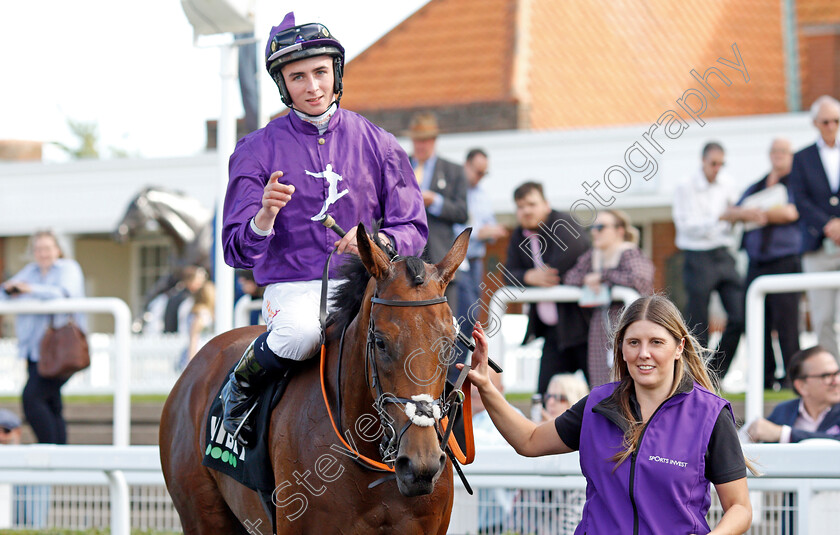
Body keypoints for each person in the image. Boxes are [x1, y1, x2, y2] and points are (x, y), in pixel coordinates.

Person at [220, 12, 427, 446]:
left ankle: (438, 437)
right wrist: (263, 219)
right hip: (294, 289)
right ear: (282, 85)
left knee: (429, 334)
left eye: (320, 72)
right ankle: (237, 392)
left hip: (367, 283)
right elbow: (236, 252)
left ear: (336, 72)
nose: (312, 86)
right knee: (300, 334)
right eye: (298, 77)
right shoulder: (254, 151)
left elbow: (413, 227)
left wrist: (380, 241)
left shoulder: (380, 143)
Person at [463, 295, 753, 534]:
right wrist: (486, 386)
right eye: (634, 342)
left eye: (656, 342)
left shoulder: (710, 414)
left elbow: (739, 508)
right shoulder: (598, 404)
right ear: (622, 349)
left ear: (679, 348)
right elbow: (528, 440)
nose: (644, 353)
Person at [505, 181, 590, 394]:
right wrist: (528, 275)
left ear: (546, 204)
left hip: (583, 326)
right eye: (521, 206)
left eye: (532, 204)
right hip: (553, 333)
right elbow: (507, 273)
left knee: (601, 394)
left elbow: (560, 268)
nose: (526, 211)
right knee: (545, 396)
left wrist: (529, 277)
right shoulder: (518, 235)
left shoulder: (564, 224)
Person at [0, 230, 85, 445]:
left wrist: (29, 290)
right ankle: (61, 458)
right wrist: (15, 290)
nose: (43, 253)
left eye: (47, 248)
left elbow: (64, 293)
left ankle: (49, 453)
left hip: (60, 350)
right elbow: (6, 291)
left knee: (32, 399)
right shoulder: (31, 271)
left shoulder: (68, 269)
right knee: (51, 403)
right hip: (34, 350)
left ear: (57, 249)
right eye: (38, 249)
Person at [673, 141, 745, 381]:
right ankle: (696, 376)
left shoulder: (728, 184)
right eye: (714, 163)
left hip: (723, 253)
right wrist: (720, 217)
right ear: (703, 161)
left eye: (721, 164)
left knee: (740, 315)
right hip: (697, 255)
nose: (717, 168)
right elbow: (685, 226)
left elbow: (735, 214)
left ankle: (715, 373)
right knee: (698, 322)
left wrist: (737, 216)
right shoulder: (685, 186)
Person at [736, 138, 801, 389]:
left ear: (790, 155)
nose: (778, 155)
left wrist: (756, 214)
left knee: (787, 322)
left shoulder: (796, 183)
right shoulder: (757, 186)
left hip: (784, 260)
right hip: (756, 262)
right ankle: (765, 377)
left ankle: (793, 379)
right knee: (754, 321)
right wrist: (751, 213)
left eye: (783, 151)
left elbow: (791, 212)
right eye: (775, 151)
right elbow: (734, 211)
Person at [564, 210, 655, 387]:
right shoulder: (593, 255)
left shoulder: (629, 252)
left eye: (601, 227)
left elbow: (640, 280)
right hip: (600, 327)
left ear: (619, 230)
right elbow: (570, 278)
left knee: (630, 380)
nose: (594, 232)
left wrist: (603, 276)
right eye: (592, 227)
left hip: (630, 323)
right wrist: (589, 278)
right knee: (602, 385)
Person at [789, 95, 840, 359]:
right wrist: (828, 225)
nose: (831, 126)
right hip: (817, 247)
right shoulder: (802, 158)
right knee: (822, 316)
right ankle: (835, 374)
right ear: (815, 123)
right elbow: (800, 200)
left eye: (836, 121)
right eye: (826, 121)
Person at [452, 148, 507, 380]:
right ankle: (450, 374)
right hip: (459, 264)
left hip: (475, 263)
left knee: (471, 318)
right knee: (460, 318)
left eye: (484, 173)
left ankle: (458, 373)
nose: (480, 177)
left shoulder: (482, 195)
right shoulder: (456, 193)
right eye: (477, 172)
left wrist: (486, 232)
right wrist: (482, 232)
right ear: (466, 166)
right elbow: (458, 231)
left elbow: (491, 229)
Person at [408, 111, 469, 312]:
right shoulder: (401, 166)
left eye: (425, 141)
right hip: (408, 257)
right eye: (417, 141)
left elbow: (462, 212)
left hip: (439, 258)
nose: (420, 146)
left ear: (434, 141)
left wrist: (435, 202)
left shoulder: (453, 170)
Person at [747, 346, 840, 443]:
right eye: (826, 376)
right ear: (802, 386)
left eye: (837, 373)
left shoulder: (782, 427)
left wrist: (784, 434)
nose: (836, 381)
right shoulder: (783, 411)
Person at [182, 280, 216, 368]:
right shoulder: (201, 314)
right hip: (199, 354)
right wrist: (191, 361)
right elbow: (194, 338)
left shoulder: (204, 313)